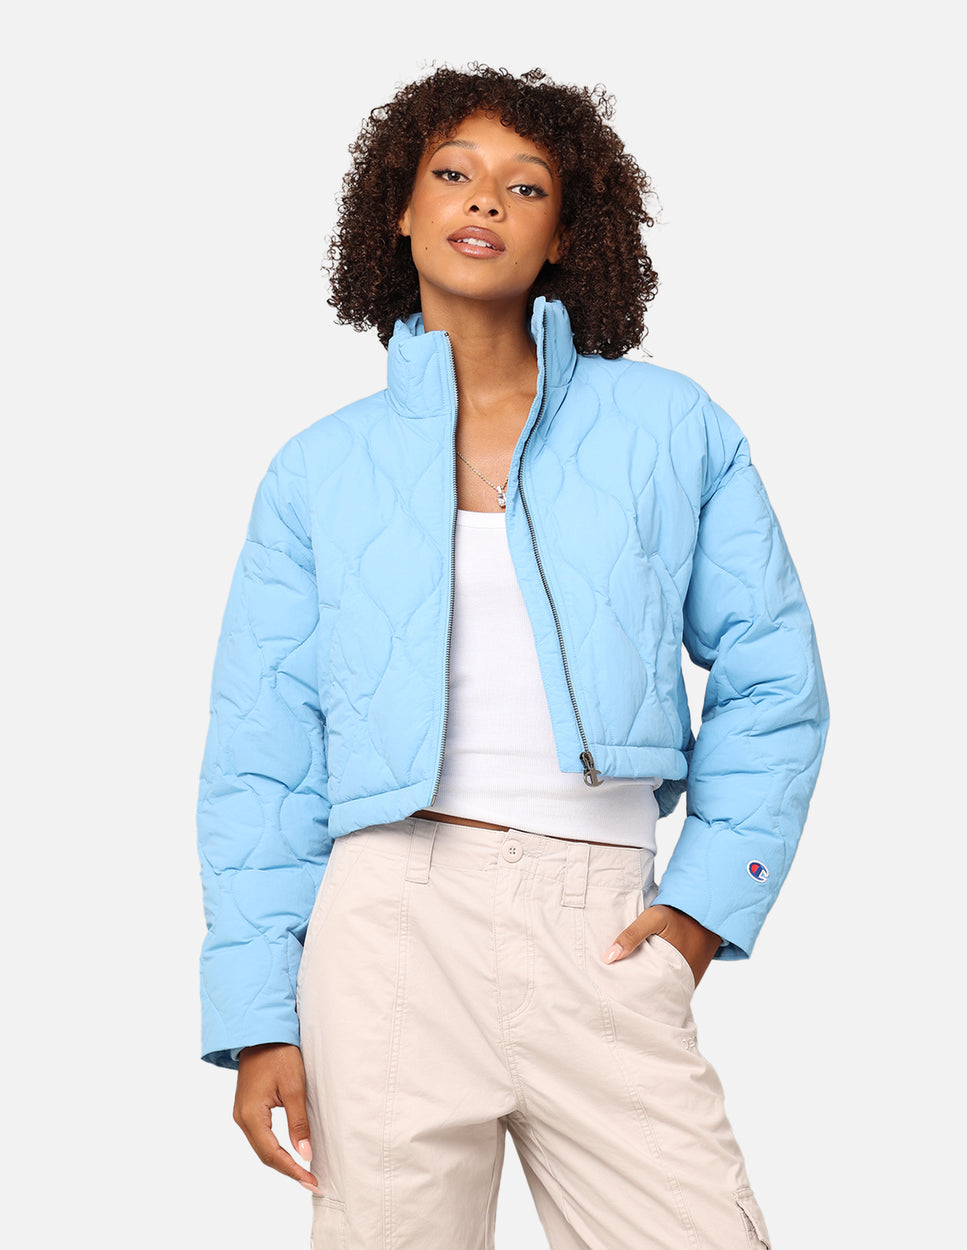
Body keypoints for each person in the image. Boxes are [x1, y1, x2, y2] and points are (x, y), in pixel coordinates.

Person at [197, 64, 830, 1250]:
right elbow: (262, 754)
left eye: (524, 185)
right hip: (384, 926)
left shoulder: (670, 428)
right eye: (452, 173)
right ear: (399, 208)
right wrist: (257, 1012)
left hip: (600, 919)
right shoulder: (316, 470)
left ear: (567, 234)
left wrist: (703, 904)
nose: (483, 199)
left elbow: (772, 678)